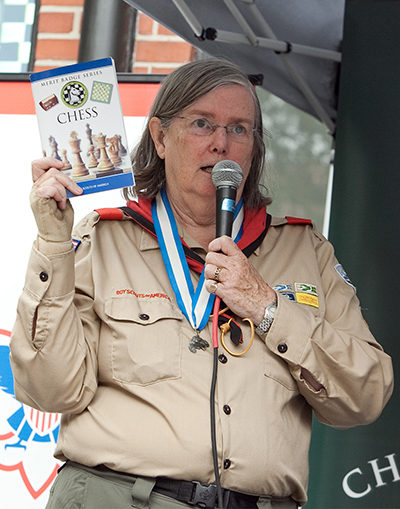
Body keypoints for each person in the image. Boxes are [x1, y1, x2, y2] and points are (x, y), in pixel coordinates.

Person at [10, 58, 393, 509]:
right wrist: (54, 243)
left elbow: (364, 395)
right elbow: (49, 391)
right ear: (160, 137)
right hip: (118, 497)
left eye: (239, 129)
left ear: (254, 149)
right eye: (201, 124)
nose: (220, 144)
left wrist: (269, 308)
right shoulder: (105, 239)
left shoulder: (305, 250)